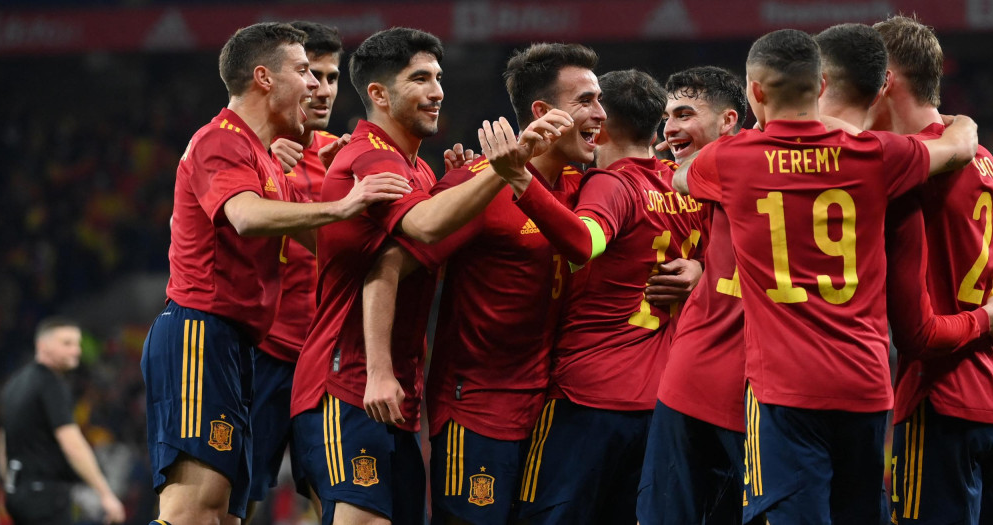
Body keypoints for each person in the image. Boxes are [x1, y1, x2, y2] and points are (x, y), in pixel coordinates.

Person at [678, 29, 978, 524]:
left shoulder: (733, 160)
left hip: (784, 393)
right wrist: (962, 121)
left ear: (755, 92)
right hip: (865, 385)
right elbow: (957, 150)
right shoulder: (878, 154)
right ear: (820, 87)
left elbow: (680, 177)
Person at [140, 22, 411, 525]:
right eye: (305, 71)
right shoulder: (220, 141)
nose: (315, 85)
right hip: (200, 332)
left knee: (222, 516)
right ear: (264, 78)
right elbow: (245, 217)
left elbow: (329, 249)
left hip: (237, 345)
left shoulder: (265, 158)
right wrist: (345, 205)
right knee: (193, 512)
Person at [287, 27, 553, 525]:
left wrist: (463, 178)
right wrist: (501, 167)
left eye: (438, 77)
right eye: (420, 79)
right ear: (379, 94)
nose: (437, 91)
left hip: (390, 396)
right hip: (346, 383)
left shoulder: (419, 171)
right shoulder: (370, 156)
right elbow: (423, 231)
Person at [488, 69, 706, 524]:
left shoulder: (611, 183)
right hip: (660, 402)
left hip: (587, 397)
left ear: (601, 126)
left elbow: (586, 241)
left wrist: (521, 182)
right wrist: (701, 268)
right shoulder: (685, 188)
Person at [397, 42, 596, 525]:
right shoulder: (479, 185)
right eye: (586, 101)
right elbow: (393, 265)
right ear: (544, 113)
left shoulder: (585, 185)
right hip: (478, 409)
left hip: (553, 411)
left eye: (601, 99)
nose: (601, 114)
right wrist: (379, 369)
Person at [869, 16, 993, 525]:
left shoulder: (915, 173)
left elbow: (915, 335)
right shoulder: (985, 159)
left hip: (942, 402)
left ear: (886, 79)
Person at [636, 65, 748, 525]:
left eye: (685, 113)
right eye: (667, 117)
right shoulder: (699, 178)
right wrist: (704, 266)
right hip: (700, 378)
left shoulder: (733, 163)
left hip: (742, 385)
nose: (670, 128)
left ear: (728, 121)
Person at [246, 20, 343, 523]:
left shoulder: (348, 163)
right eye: (310, 74)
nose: (320, 89)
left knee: (343, 500)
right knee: (231, 500)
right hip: (261, 353)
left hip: (328, 363)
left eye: (330, 77)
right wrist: (267, 165)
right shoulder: (248, 153)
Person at [0, 317, 126, 525]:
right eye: (66, 343)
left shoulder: (14, 383)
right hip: (45, 496)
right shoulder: (51, 385)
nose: (75, 350)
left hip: (17, 494)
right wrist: (105, 494)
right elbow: (71, 443)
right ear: (42, 345)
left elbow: (4, 442)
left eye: (77, 344)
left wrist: (10, 486)